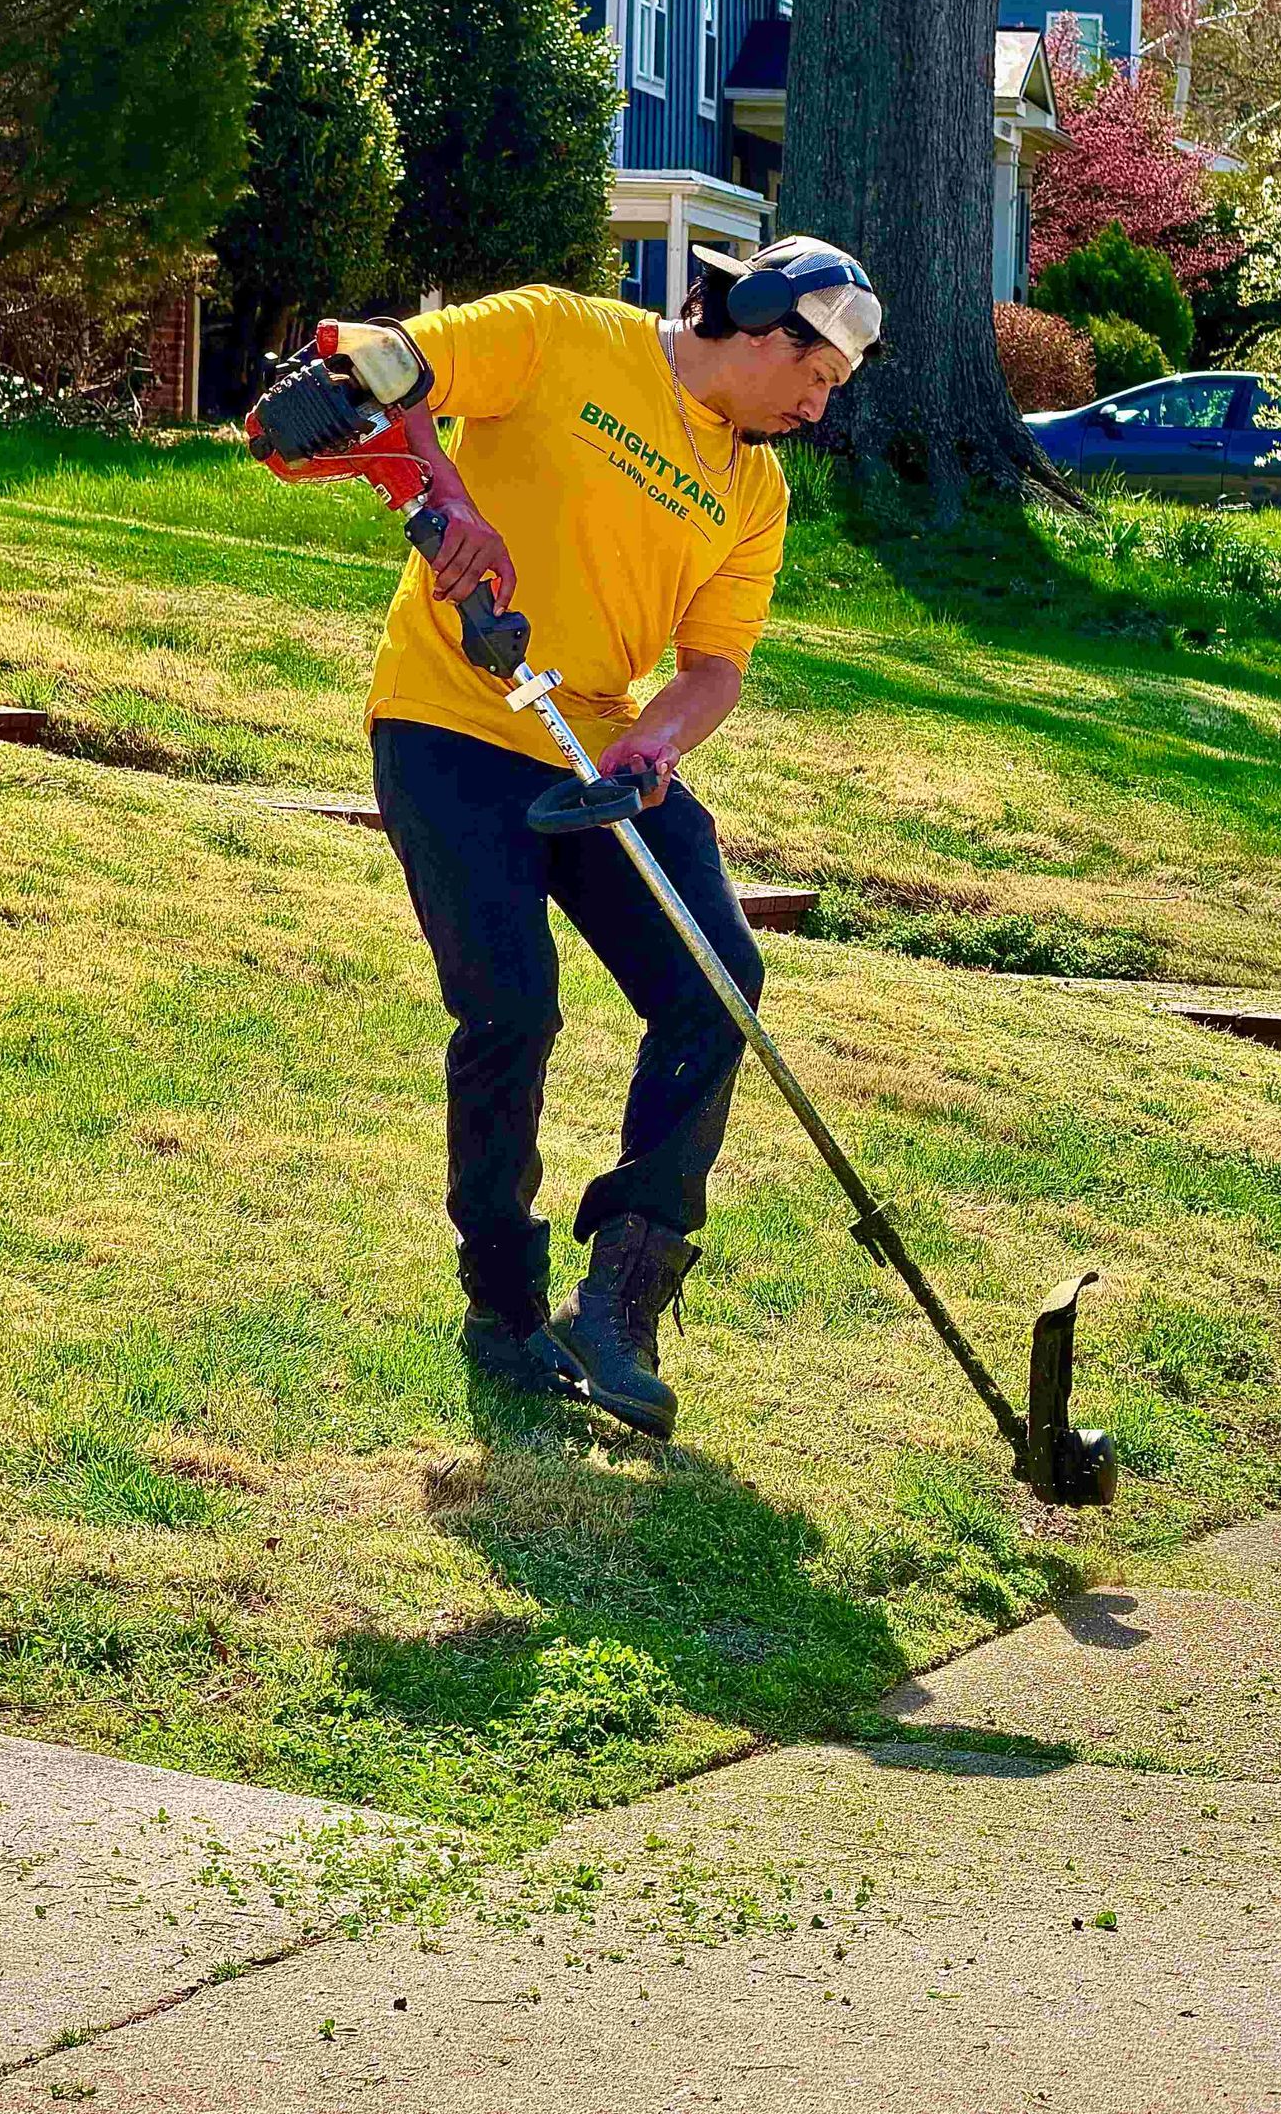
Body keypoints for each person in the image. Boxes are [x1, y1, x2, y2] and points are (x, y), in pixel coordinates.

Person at [327, 238, 882, 1442]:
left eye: (833, 387)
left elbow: (716, 664)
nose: (817, 403)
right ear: (757, 322)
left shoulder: (755, 491)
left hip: (596, 753)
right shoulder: (564, 335)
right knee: (512, 1008)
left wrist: (659, 747)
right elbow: (387, 364)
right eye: (816, 372)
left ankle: (622, 1297)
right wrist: (450, 502)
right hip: (448, 724)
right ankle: (505, 1308)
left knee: (716, 981)